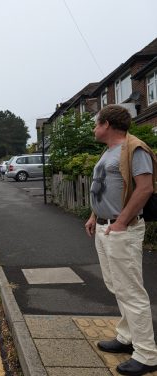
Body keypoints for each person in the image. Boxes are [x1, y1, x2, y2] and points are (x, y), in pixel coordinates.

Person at [85, 105, 157, 376]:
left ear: (107, 124)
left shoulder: (134, 149)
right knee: (116, 285)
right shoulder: (109, 151)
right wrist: (94, 215)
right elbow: (106, 186)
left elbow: (146, 187)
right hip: (106, 228)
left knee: (131, 290)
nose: (94, 128)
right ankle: (126, 337)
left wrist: (121, 221)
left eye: (96, 123)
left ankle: (147, 354)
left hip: (121, 230)